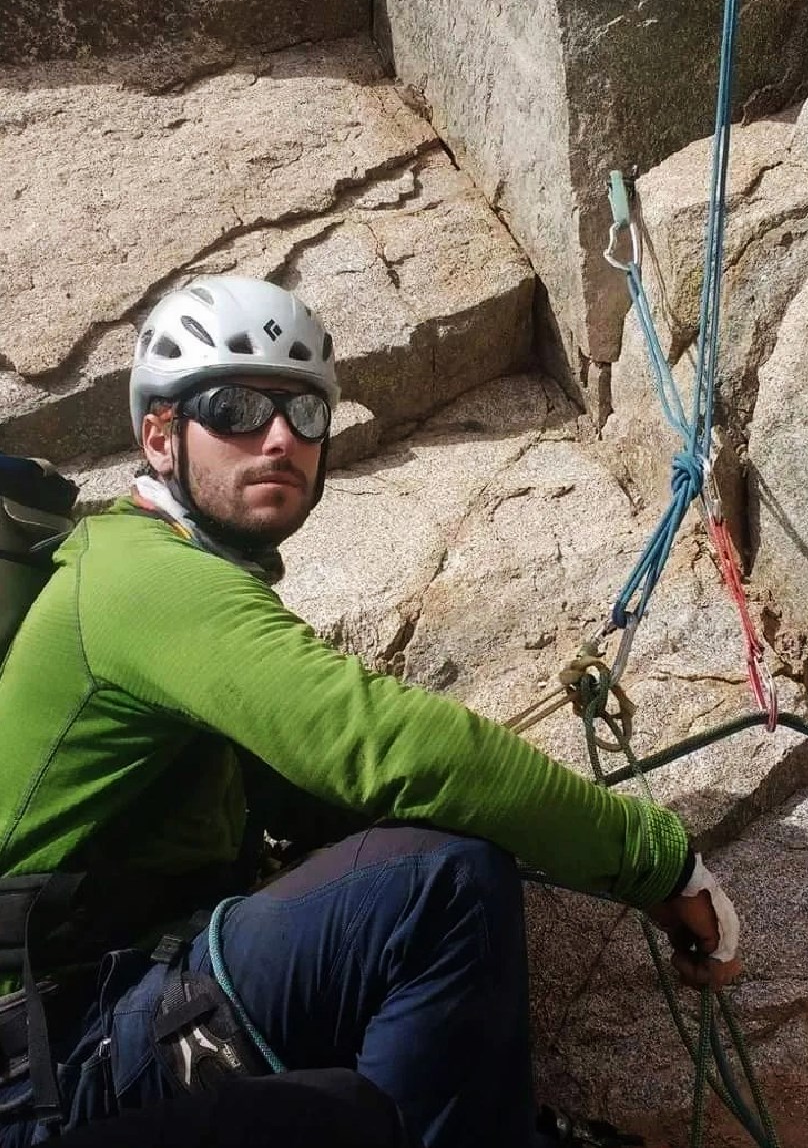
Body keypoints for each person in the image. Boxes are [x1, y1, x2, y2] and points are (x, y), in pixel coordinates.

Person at [0, 276, 740, 1148]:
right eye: (234, 407)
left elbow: (327, 801)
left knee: (435, 868)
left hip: (112, 1009)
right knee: (440, 888)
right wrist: (655, 863)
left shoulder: (176, 581)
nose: (278, 437)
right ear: (160, 436)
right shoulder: (139, 579)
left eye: (305, 415)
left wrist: (529, 829)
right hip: (53, 1060)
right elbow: (385, 744)